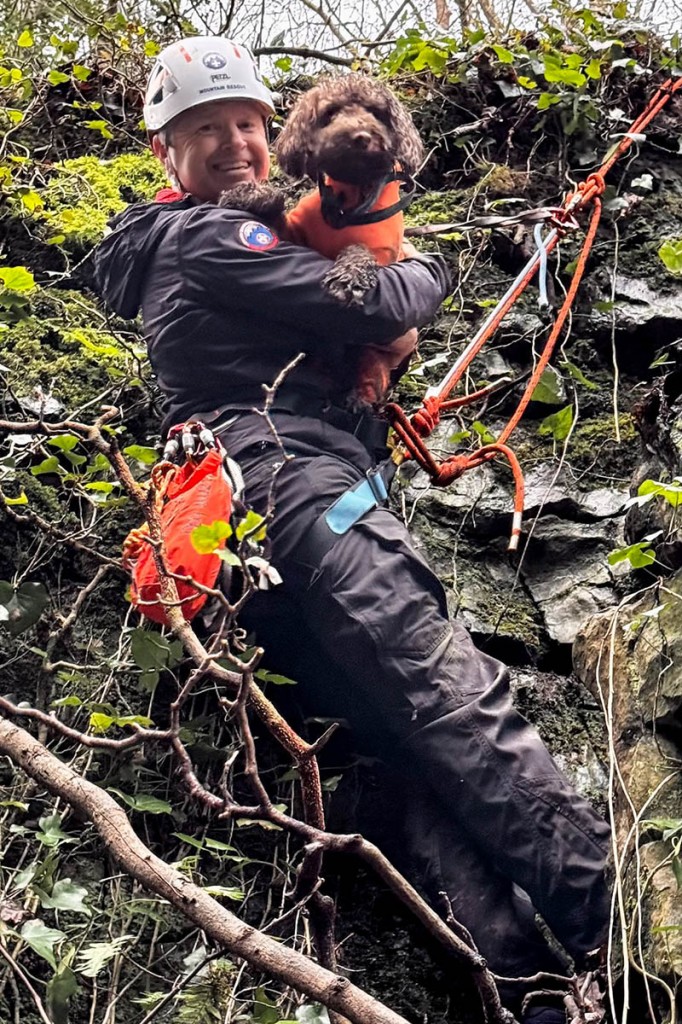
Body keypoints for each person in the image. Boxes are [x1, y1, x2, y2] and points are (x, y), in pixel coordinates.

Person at [92, 36, 610, 1023]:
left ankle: (528, 990)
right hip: (298, 492)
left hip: (255, 538)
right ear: (168, 153)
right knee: (447, 697)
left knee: (396, 758)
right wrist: (425, 272)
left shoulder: (195, 249)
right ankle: (618, 926)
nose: (236, 145)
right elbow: (379, 295)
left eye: (247, 123)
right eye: (207, 132)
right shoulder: (210, 239)